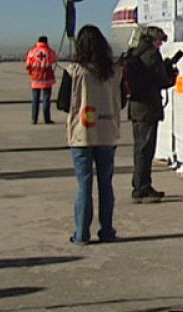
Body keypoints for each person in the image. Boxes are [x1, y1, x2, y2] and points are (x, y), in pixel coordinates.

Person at [62, 25, 124, 244]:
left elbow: (63, 103)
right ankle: (107, 230)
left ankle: (81, 234)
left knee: (84, 184)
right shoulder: (115, 72)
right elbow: (122, 100)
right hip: (107, 132)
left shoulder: (74, 71)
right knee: (106, 183)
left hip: (82, 134)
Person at [126, 26, 177, 204]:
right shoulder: (151, 55)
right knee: (145, 149)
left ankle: (140, 184)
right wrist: (170, 74)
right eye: (159, 41)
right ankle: (142, 188)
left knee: (139, 148)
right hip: (148, 107)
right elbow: (161, 81)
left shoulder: (134, 53)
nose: (160, 44)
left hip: (136, 107)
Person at [25, 35, 58, 124]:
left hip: (35, 78)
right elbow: (54, 59)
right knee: (46, 99)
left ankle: (34, 119)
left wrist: (31, 73)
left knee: (35, 99)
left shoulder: (32, 51)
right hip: (47, 78)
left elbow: (28, 65)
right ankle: (46, 119)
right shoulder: (49, 51)